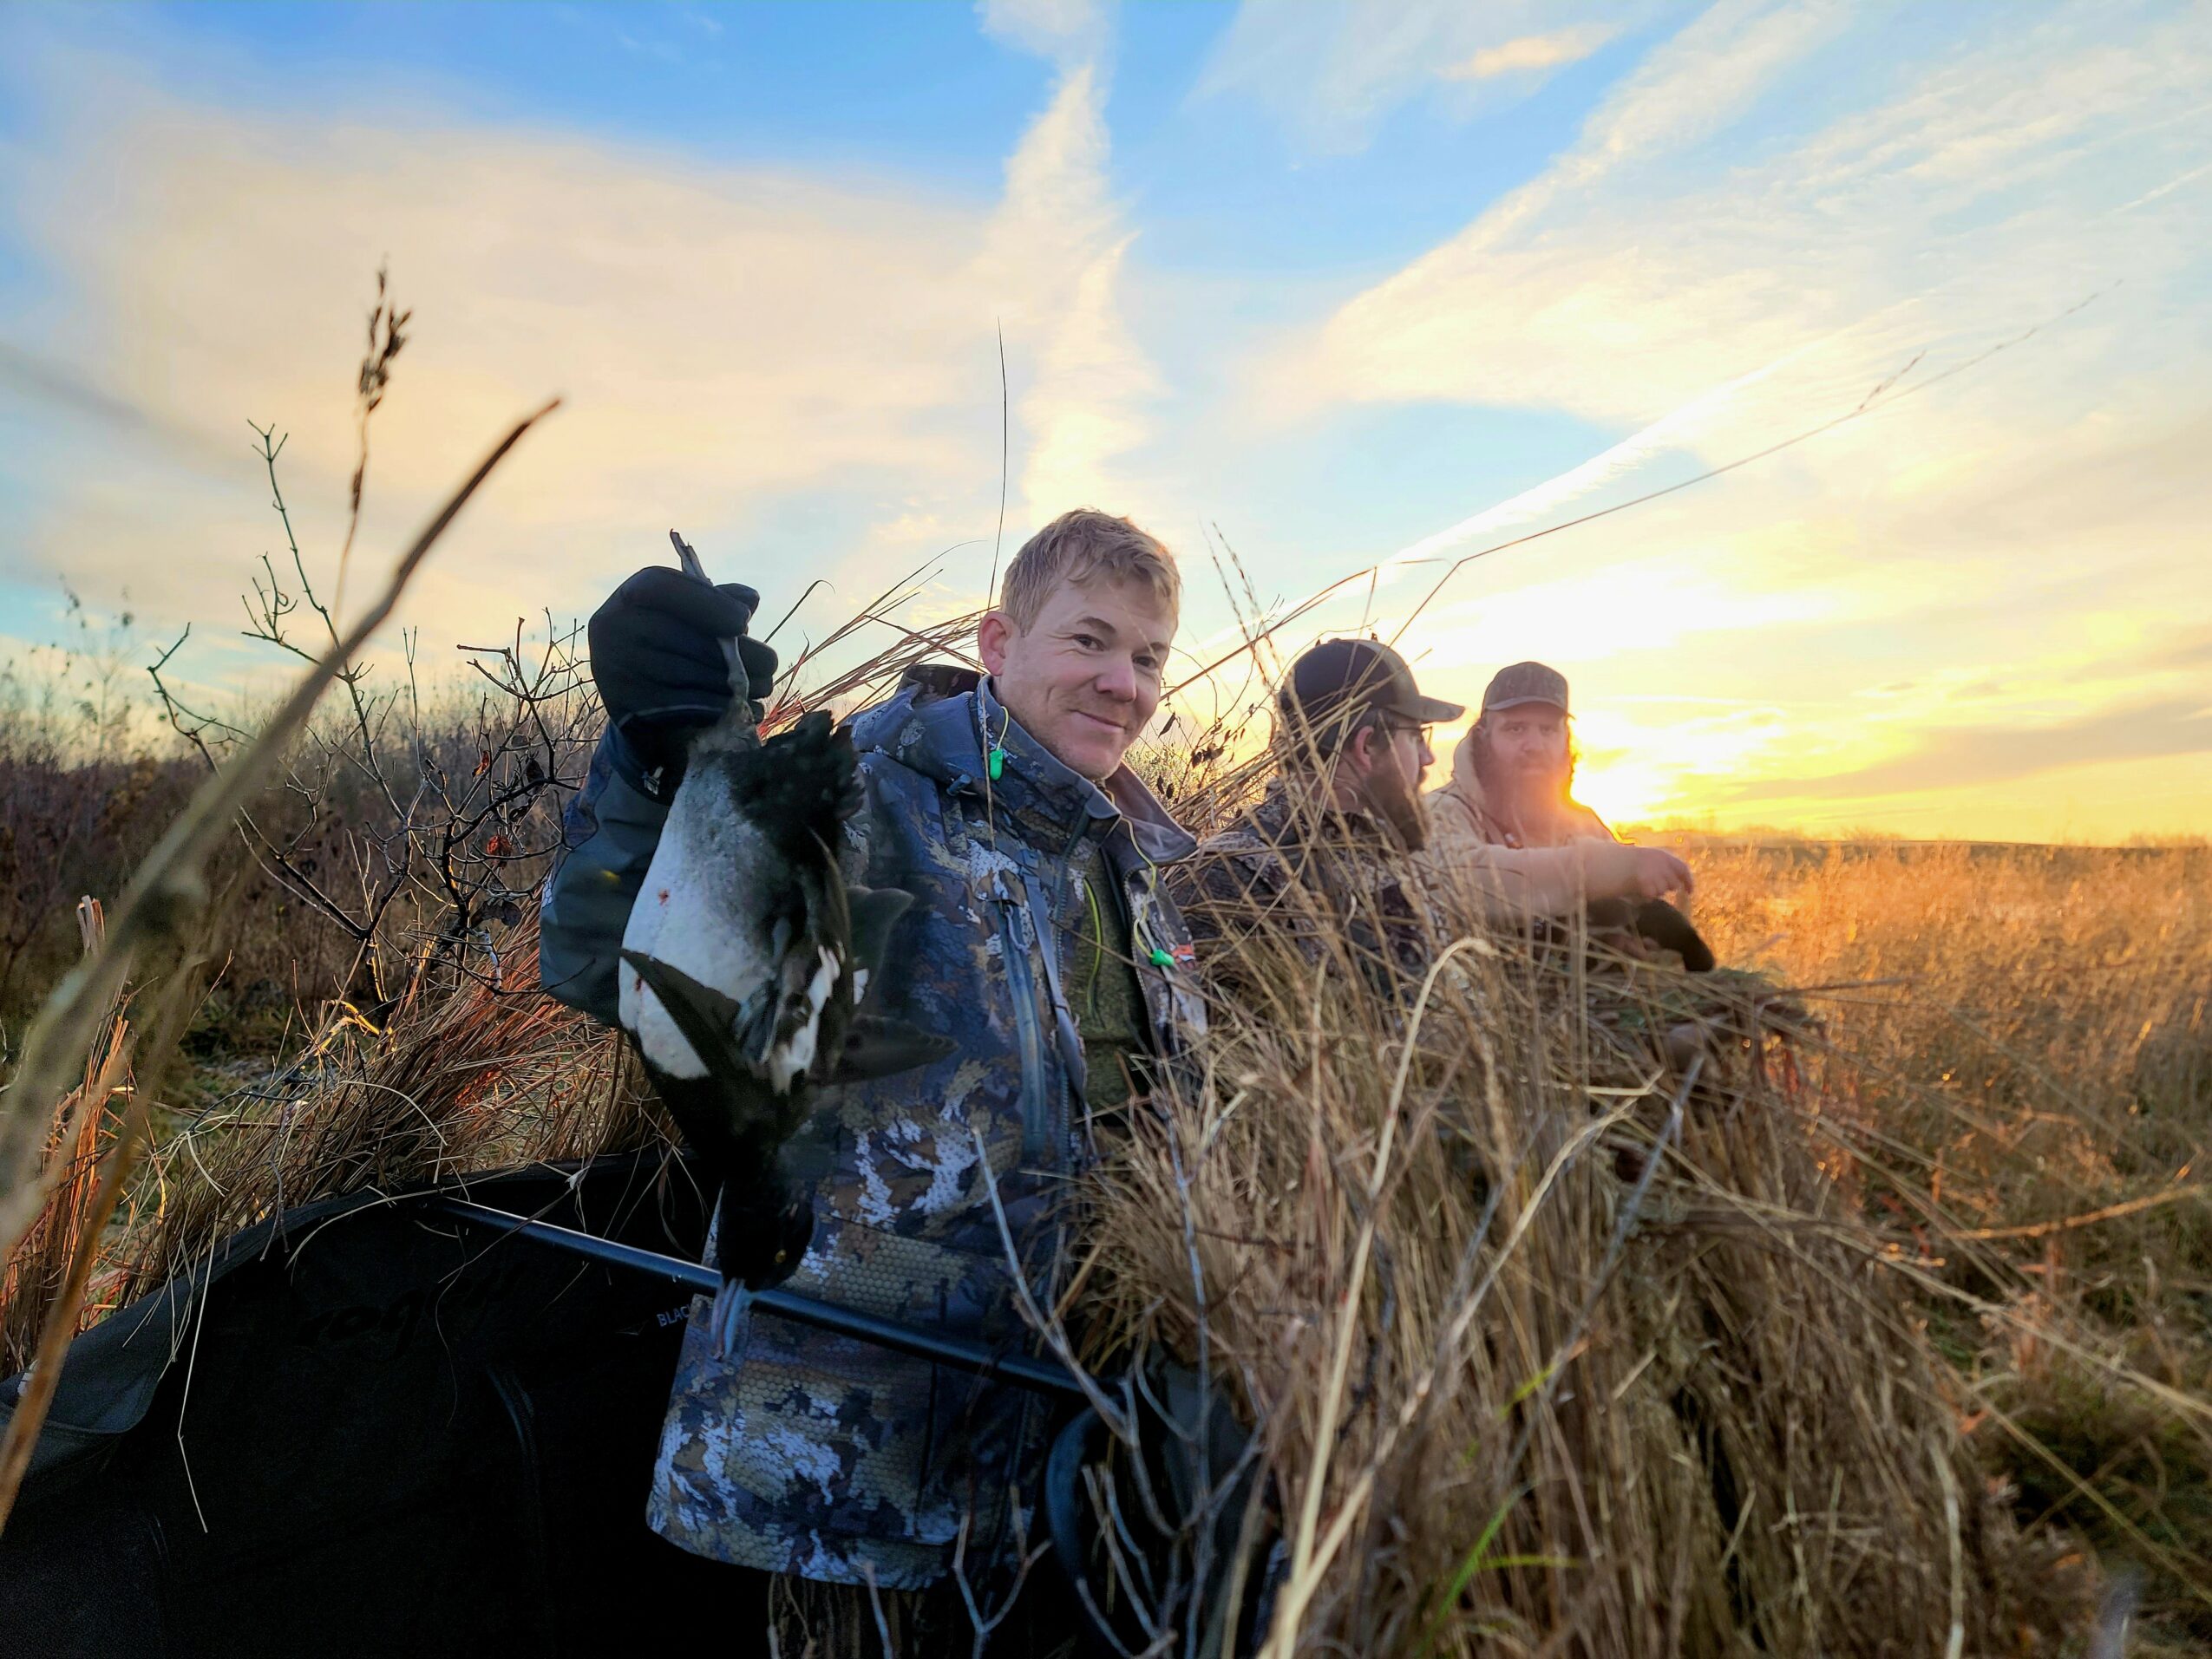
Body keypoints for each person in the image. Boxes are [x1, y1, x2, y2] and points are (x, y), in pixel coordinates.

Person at [540, 509, 1203, 1644]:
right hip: (844, 1478)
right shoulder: (862, 796)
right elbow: (609, 958)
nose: (1122, 683)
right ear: (997, 643)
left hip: (1057, 1466)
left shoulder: (1128, 855)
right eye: (1089, 640)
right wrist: (658, 756)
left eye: (1147, 657)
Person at [1177, 639, 1691, 980]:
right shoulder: (1234, 878)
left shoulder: (1386, 855)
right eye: (1415, 737)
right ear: (1366, 747)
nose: (1428, 758)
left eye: (1546, 730)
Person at [1428, 661, 1613, 851]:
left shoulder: (1586, 826)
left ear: (1566, 738)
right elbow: (1472, 863)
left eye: (1548, 730)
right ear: (1483, 737)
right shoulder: (1439, 814)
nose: (1535, 746)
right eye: (1516, 729)